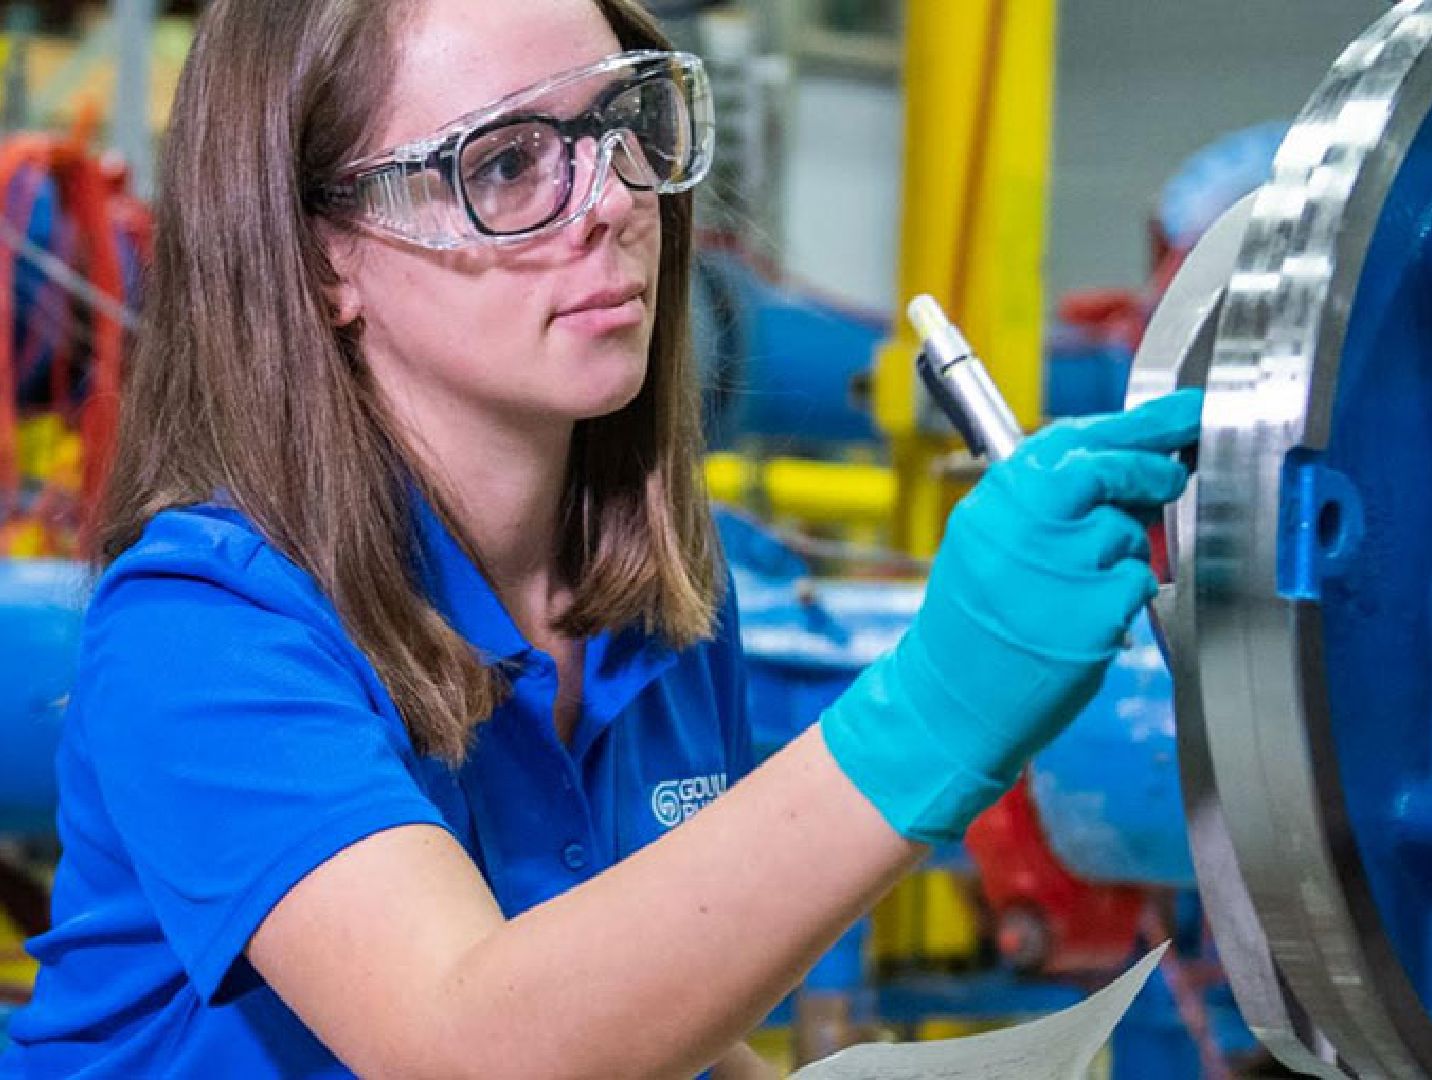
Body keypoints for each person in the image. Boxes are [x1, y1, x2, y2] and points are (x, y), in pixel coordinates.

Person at [0, 0, 1202, 1076]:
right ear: (322, 259)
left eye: (626, 120)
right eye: (509, 162)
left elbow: (609, 1000)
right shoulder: (207, 625)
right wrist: (938, 710)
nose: (618, 199)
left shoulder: (666, 600)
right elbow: (464, 1040)